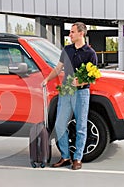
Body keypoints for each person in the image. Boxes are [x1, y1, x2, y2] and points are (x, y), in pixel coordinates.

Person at [42, 22, 98, 170]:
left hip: (81, 93)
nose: (70, 35)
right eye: (70, 32)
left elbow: (93, 77)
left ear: (81, 33)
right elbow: (57, 68)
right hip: (66, 92)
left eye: (72, 32)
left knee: (81, 126)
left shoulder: (90, 53)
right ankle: (65, 156)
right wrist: (47, 79)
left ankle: (77, 158)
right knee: (60, 125)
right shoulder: (66, 50)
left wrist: (80, 82)